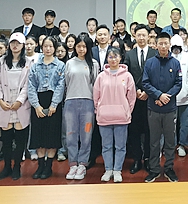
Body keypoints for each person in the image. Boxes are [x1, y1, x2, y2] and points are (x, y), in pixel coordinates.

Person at [142, 32, 182, 183]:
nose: (164, 46)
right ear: (156, 45)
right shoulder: (150, 63)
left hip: (170, 109)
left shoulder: (175, 63)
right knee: (154, 141)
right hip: (153, 108)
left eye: (166, 43)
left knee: (170, 141)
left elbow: (178, 84)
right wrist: (158, 96)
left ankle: (169, 168)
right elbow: (145, 83)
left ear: (170, 44)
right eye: (161, 43)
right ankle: (154, 169)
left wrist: (166, 97)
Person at [93, 47, 136, 183]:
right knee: (106, 146)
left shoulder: (127, 76)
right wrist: (99, 110)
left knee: (120, 146)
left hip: (121, 118)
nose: (113, 59)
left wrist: (126, 111)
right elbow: (96, 96)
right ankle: (108, 169)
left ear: (120, 58)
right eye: (110, 57)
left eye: (115, 56)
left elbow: (131, 97)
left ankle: (117, 170)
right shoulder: (101, 76)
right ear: (107, 59)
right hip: (104, 117)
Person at [0, 32, 31, 181]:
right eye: (13, 43)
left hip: (20, 103)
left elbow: (28, 85)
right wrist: (0, 100)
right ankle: (7, 166)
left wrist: (20, 100)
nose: (15, 46)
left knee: (20, 139)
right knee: (7, 139)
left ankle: (17, 167)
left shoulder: (28, 62)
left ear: (23, 45)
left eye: (18, 43)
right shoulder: (1, 62)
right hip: (5, 102)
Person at [27, 36, 66, 180]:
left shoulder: (60, 65)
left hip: (54, 103)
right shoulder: (35, 66)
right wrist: (36, 105)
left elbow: (61, 86)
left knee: (52, 135)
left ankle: (48, 166)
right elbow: (31, 86)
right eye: (45, 46)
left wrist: (54, 104)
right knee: (39, 135)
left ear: (54, 48)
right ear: (41, 47)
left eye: (50, 46)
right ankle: (40, 166)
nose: (48, 49)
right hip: (38, 101)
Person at [64, 36, 99, 181]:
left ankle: (83, 164)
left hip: (88, 102)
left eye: (84, 46)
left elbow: (96, 84)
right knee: (71, 134)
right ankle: (73, 164)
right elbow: (67, 82)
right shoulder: (69, 63)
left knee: (86, 135)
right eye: (79, 46)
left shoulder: (94, 64)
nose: (81, 49)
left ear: (88, 48)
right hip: (71, 102)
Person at [124, 24, 157, 174]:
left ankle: (148, 159)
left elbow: (157, 75)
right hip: (134, 99)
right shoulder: (129, 54)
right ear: (135, 36)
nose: (142, 38)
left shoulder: (155, 53)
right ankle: (137, 159)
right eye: (139, 35)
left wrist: (148, 92)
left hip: (151, 99)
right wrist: (136, 90)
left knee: (150, 130)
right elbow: (127, 75)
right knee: (135, 130)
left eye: (144, 35)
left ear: (148, 36)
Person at [171, 35, 188, 157]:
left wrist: (186, 90)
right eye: (173, 47)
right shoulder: (168, 58)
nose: (176, 50)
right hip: (171, 98)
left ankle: (182, 145)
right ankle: (171, 145)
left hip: (186, 97)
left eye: (178, 47)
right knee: (171, 124)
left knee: (185, 124)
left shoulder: (187, 57)